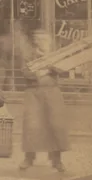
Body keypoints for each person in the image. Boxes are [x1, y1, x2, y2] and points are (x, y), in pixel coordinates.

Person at [20, 32, 70, 172]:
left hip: (52, 93)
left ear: (48, 42)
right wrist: (39, 73)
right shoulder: (29, 55)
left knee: (55, 125)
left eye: (43, 40)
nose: (40, 42)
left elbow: (62, 69)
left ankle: (56, 160)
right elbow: (25, 72)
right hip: (33, 93)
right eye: (38, 40)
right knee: (31, 126)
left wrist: (48, 62)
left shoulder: (54, 55)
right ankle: (29, 158)